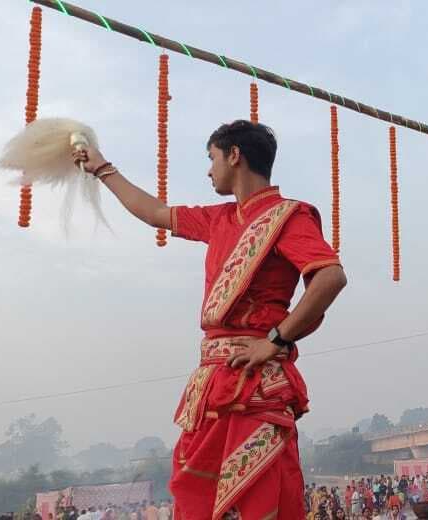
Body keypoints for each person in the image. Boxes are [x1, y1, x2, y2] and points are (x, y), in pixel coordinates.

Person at [73, 120, 348, 519]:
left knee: (260, 497)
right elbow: (154, 212)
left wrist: (276, 339)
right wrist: (101, 168)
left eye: (212, 158)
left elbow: (330, 276)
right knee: (193, 495)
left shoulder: (288, 217)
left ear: (234, 155)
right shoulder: (219, 218)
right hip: (211, 383)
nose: (208, 170)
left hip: (255, 384)